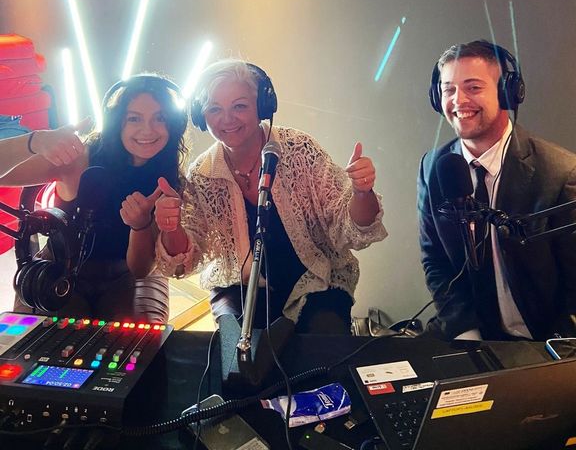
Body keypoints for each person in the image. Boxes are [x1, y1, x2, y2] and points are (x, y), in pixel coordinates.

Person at [152, 59, 387, 334]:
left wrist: (361, 192)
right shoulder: (202, 175)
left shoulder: (299, 149)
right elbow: (184, 261)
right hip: (240, 289)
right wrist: (171, 228)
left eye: (239, 106)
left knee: (322, 351)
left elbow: (351, 227)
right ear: (201, 115)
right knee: (233, 355)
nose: (227, 119)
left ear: (262, 107)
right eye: (214, 109)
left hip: (318, 281)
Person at [418, 40, 576, 341]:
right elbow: (435, 260)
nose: (458, 100)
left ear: (507, 93)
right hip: (470, 333)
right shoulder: (433, 167)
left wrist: (556, 351)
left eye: (473, 87)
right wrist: (467, 334)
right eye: (448, 89)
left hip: (544, 342)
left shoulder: (560, 174)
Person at [0, 74, 187, 321]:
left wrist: (140, 226)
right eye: (134, 118)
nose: (147, 130)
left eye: (159, 118)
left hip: (127, 276)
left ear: (173, 124)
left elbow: (140, 269)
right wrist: (34, 142)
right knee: (48, 341)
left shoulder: (169, 179)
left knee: (138, 342)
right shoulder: (79, 158)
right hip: (61, 267)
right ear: (117, 122)